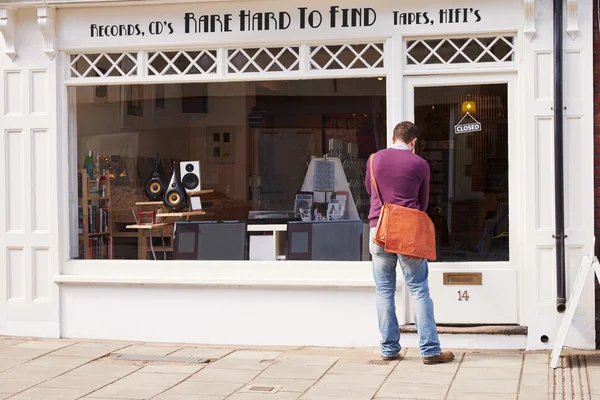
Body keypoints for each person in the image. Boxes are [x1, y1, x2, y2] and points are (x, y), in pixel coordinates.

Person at [365, 121, 454, 365]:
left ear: (393, 138)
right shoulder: (420, 164)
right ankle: (429, 350)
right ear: (413, 142)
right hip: (407, 232)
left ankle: (389, 348)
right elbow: (423, 203)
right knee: (418, 289)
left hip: (378, 230)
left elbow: (370, 191)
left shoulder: (374, 160)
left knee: (384, 290)